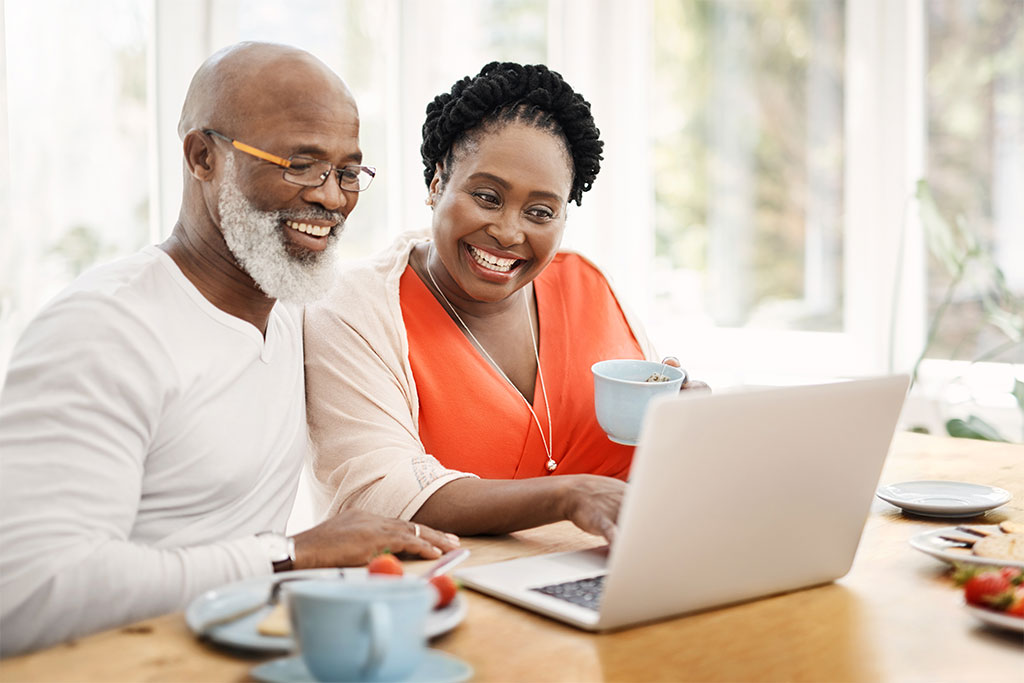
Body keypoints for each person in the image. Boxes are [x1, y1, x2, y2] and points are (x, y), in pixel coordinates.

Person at [0, 42, 457, 657]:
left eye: (350, 171)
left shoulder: (294, 306)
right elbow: (25, 596)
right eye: (301, 163)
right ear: (202, 157)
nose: (332, 197)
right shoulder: (104, 329)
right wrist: (293, 553)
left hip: (248, 652)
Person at [304, 62, 706, 543]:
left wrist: (687, 430)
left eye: (540, 211)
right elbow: (381, 493)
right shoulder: (352, 309)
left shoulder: (588, 287)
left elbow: (640, 471)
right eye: (488, 197)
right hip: (443, 595)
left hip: (607, 583)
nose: (509, 232)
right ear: (437, 186)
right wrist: (565, 495)